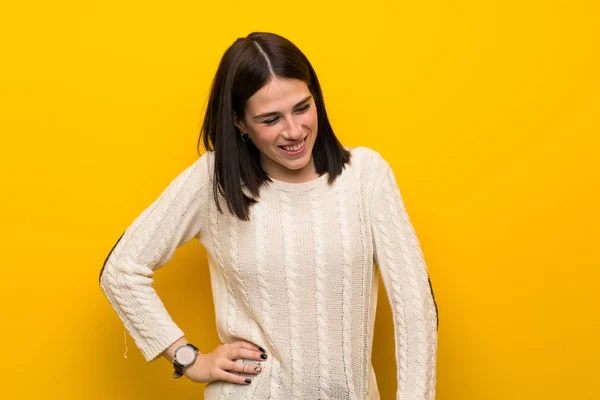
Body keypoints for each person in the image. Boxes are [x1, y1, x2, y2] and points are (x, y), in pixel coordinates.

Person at [99, 31, 438, 399]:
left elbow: (415, 310)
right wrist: (188, 358)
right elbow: (122, 270)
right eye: (270, 119)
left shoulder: (367, 177)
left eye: (302, 108)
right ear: (240, 123)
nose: (294, 131)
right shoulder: (214, 182)